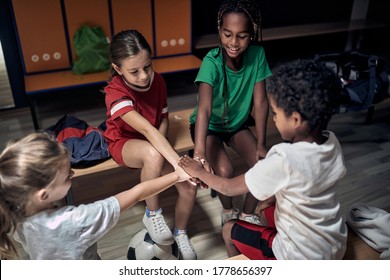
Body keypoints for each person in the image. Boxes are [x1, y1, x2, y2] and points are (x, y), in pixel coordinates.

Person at [179, 59, 348, 259]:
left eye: (276, 114)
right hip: (334, 244)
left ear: (295, 120)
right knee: (266, 207)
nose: (274, 119)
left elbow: (228, 187)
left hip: (299, 256)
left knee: (229, 229)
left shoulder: (284, 158)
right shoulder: (332, 142)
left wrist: (198, 171)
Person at [0, 132, 190, 260]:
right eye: (68, 176)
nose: (72, 175)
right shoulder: (75, 221)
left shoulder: (14, 210)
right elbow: (136, 194)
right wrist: (177, 175)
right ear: (43, 194)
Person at [103, 30, 197, 260]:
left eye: (147, 66)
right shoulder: (115, 93)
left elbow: (162, 118)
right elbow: (146, 129)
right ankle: (152, 214)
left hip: (154, 141)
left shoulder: (158, 80)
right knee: (155, 155)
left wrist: (167, 155)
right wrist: (177, 163)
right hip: (124, 143)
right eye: (134, 72)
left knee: (189, 187)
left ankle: (180, 232)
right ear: (117, 69)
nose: (144, 75)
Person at [190, 0, 273, 226]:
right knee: (225, 170)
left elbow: (261, 102)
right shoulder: (211, 62)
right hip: (208, 128)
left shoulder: (257, 55)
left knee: (262, 166)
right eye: (227, 34)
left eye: (242, 36)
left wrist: (261, 144)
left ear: (252, 34)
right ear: (220, 31)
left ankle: (247, 214)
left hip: (236, 124)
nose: (234, 42)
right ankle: (228, 210)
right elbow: (204, 110)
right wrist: (199, 152)